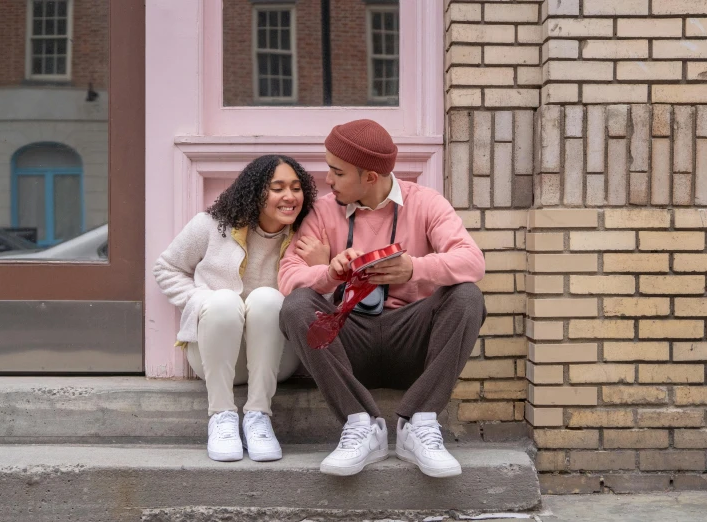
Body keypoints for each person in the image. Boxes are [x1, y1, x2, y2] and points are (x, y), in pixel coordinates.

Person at [278, 120, 486, 478]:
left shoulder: (426, 203)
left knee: (467, 296)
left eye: (337, 172)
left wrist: (415, 269)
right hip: (347, 342)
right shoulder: (322, 211)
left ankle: (418, 423)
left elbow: (473, 260)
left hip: (411, 341)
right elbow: (287, 276)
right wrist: (329, 273)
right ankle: (362, 425)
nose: (327, 179)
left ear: (370, 177)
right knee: (296, 306)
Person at [154, 155, 322, 463]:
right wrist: (198, 301)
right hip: (212, 356)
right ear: (256, 191)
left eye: (296, 188)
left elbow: (324, 298)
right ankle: (222, 417)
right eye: (278, 188)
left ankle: (259, 416)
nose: (290, 196)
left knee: (268, 299)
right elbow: (167, 267)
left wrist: (321, 263)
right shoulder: (212, 225)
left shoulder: (307, 237)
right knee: (223, 300)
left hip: (276, 360)